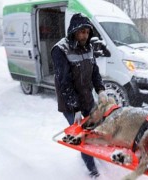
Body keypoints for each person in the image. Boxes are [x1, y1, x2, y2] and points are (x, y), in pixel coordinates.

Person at [51, 13, 107, 178]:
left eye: (87, 32)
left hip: (86, 98)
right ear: (73, 31)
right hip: (70, 104)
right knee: (83, 138)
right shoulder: (60, 50)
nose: (85, 35)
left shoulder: (88, 46)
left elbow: (94, 71)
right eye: (81, 32)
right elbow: (64, 82)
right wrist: (75, 108)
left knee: (95, 131)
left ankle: (97, 157)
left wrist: (101, 90)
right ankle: (92, 171)